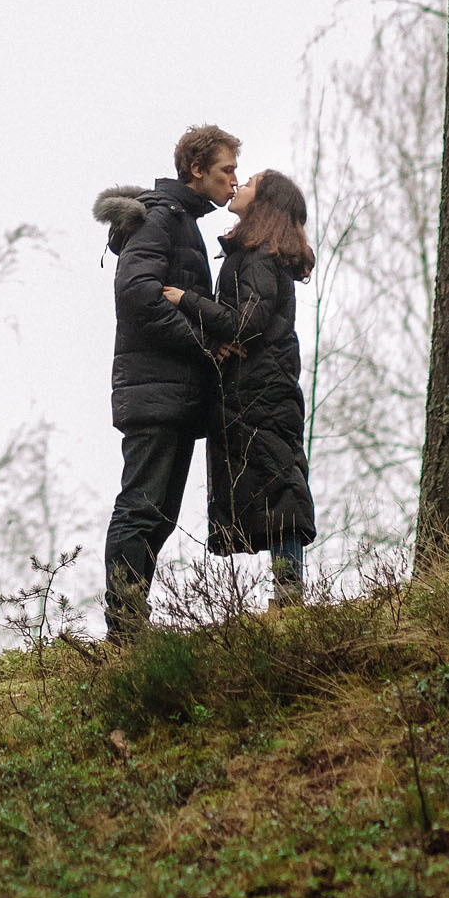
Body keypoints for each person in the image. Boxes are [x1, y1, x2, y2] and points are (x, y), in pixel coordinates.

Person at [94, 124, 238, 635]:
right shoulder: (162, 217)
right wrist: (201, 344)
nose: (234, 181)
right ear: (197, 170)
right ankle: (124, 626)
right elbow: (137, 294)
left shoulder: (181, 220)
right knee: (141, 507)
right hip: (155, 393)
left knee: (156, 514)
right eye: (226, 170)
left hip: (170, 395)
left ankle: (131, 623)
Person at [163, 170, 318, 606]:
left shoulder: (260, 257)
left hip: (263, 394)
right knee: (273, 487)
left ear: (264, 202)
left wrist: (186, 301)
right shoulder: (254, 254)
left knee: (283, 488)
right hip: (255, 391)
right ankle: (287, 596)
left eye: (247, 182)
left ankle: (290, 598)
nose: (237, 186)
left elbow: (246, 322)